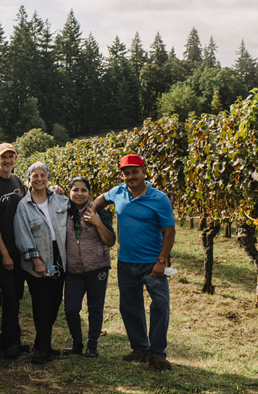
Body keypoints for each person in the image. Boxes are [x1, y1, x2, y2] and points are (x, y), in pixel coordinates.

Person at [91, 154, 176, 370]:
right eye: (126, 173)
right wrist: (91, 210)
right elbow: (102, 199)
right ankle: (139, 348)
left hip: (152, 263)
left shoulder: (159, 199)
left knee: (161, 304)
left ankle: (156, 353)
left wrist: (162, 260)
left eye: (134, 171)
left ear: (144, 172)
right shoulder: (118, 192)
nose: (130, 176)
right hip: (126, 262)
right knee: (130, 306)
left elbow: (169, 231)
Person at [13, 162, 68, 365]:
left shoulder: (60, 199)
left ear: (48, 178)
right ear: (28, 179)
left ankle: (41, 342)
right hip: (37, 259)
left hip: (58, 258)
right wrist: (36, 261)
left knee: (54, 302)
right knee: (42, 304)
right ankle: (43, 350)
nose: (39, 179)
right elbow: (22, 235)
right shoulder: (23, 206)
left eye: (43, 175)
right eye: (34, 175)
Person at [0, 143, 29, 359]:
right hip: (4, 250)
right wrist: (4, 253)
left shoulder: (17, 181)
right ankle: (10, 342)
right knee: (9, 295)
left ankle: (11, 339)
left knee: (17, 295)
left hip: (21, 248)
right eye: (4, 157)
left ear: (15, 158)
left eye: (11, 157)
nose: (8, 160)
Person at [61, 177, 115, 359]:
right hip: (73, 269)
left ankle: (92, 345)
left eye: (84, 190)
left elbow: (110, 241)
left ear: (89, 193)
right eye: (75, 190)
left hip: (97, 267)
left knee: (95, 308)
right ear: (69, 192)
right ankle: (77, 343)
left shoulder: (99, 211)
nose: (79, 194)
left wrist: (98, 222)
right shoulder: (62, 210)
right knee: (70, 309)